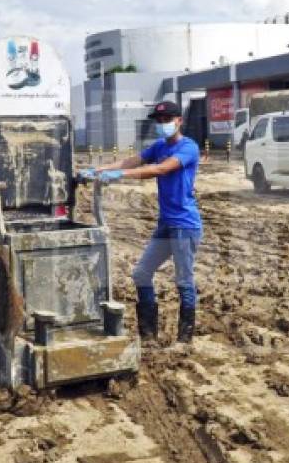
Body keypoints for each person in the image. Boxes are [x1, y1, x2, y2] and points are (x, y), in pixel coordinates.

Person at [86, 100, 202, 344]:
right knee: (141, 273)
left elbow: (160, 170)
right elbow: (132, 161)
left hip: (184, 224)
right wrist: (99, 170)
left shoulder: (188, 148)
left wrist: (120, 176)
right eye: (159, 121)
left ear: (179, 121)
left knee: (183, 279)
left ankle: (184, 339)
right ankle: (149, 335)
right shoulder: (159, 145)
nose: (162, 125)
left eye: (167, 120)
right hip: (166, 223)